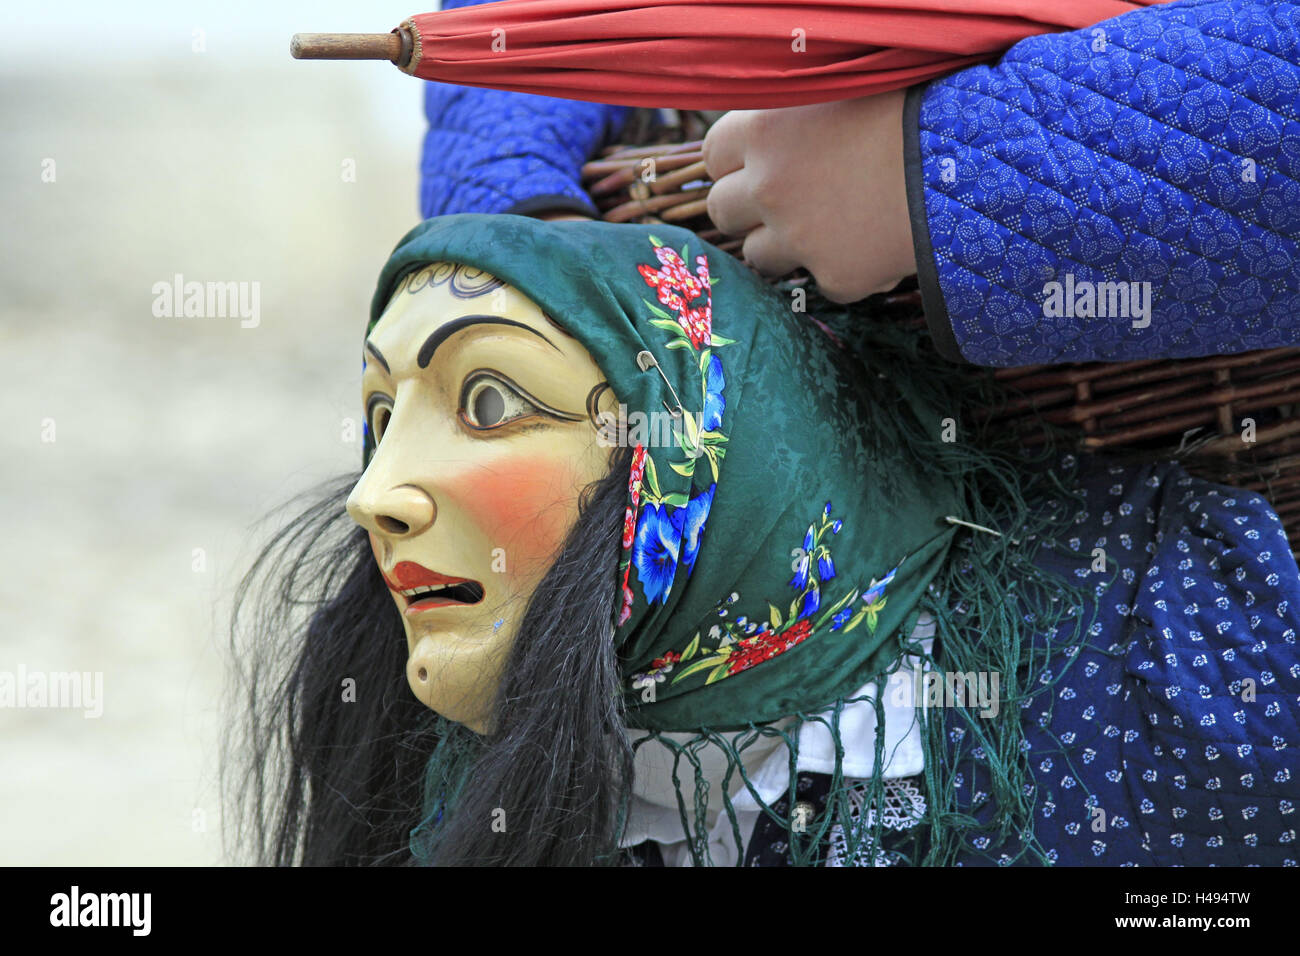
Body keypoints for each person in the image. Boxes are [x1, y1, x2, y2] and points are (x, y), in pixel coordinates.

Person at [222, 0, 1300, 866]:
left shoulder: (1174, 654)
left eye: (491, 402)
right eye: (380, 413)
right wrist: (518, 224)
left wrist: (944, 174)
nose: (373, 493)